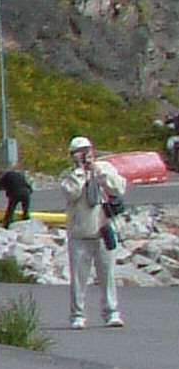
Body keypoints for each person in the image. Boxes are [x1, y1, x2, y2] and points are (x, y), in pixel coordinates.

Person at [61, 135, 127, 330]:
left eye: (86, 151)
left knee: (108, 276)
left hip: (104, 230)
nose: (84, 155)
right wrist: (80, 173)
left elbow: (118, 189)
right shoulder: (68, 175)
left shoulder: (105, 168)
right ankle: (78, 315)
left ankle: (111, 312)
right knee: (78, 279)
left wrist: (97, 171)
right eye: (78, 152)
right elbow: (70, 193)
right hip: (80, 234)